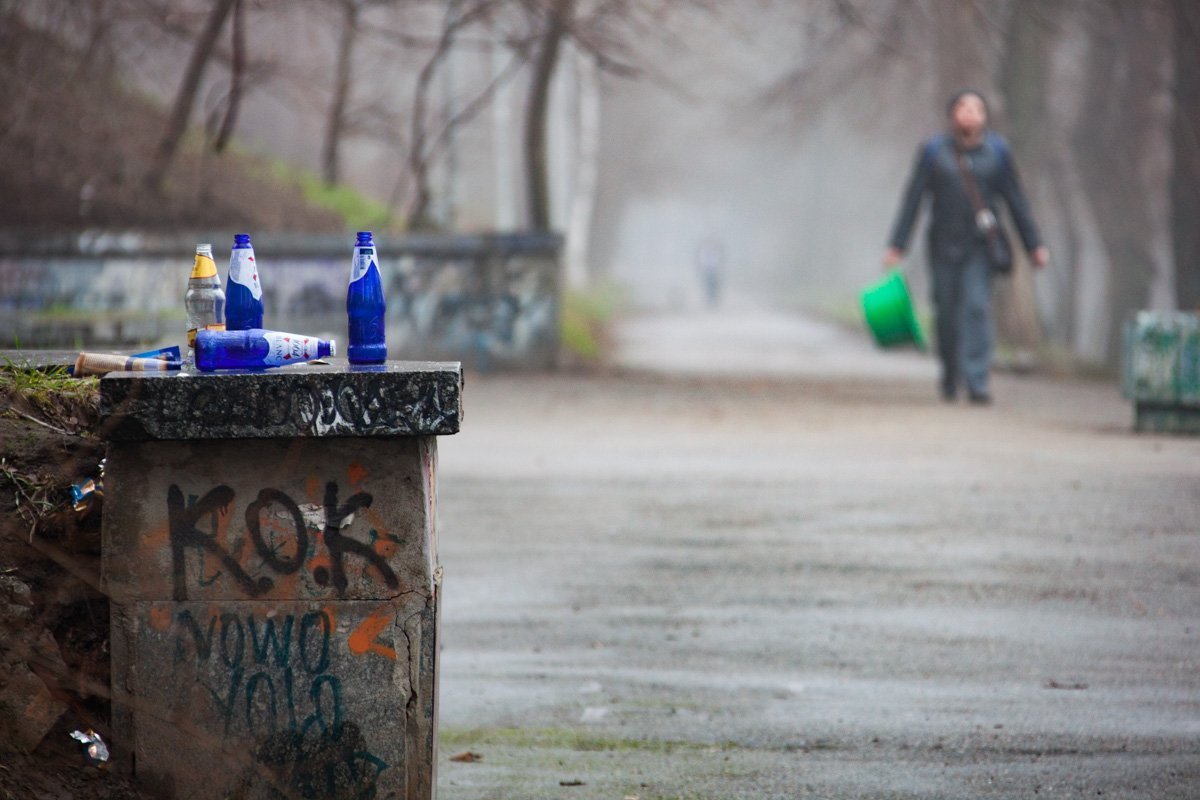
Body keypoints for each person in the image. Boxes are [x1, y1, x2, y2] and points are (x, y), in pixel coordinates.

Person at [884, 89, 1049, 404]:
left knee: (975, 308)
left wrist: (1034, 245)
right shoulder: (934, 152)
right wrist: (897, 244)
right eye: (963, 108)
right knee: (946, 313)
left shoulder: (998, 153)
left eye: (977, 109)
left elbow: (1016, 201)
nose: (970, 114)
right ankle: (949, 373)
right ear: (952, 115)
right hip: (943, 245)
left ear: (985, 117)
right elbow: (914, 200)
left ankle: (976, 381)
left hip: (980, 247)